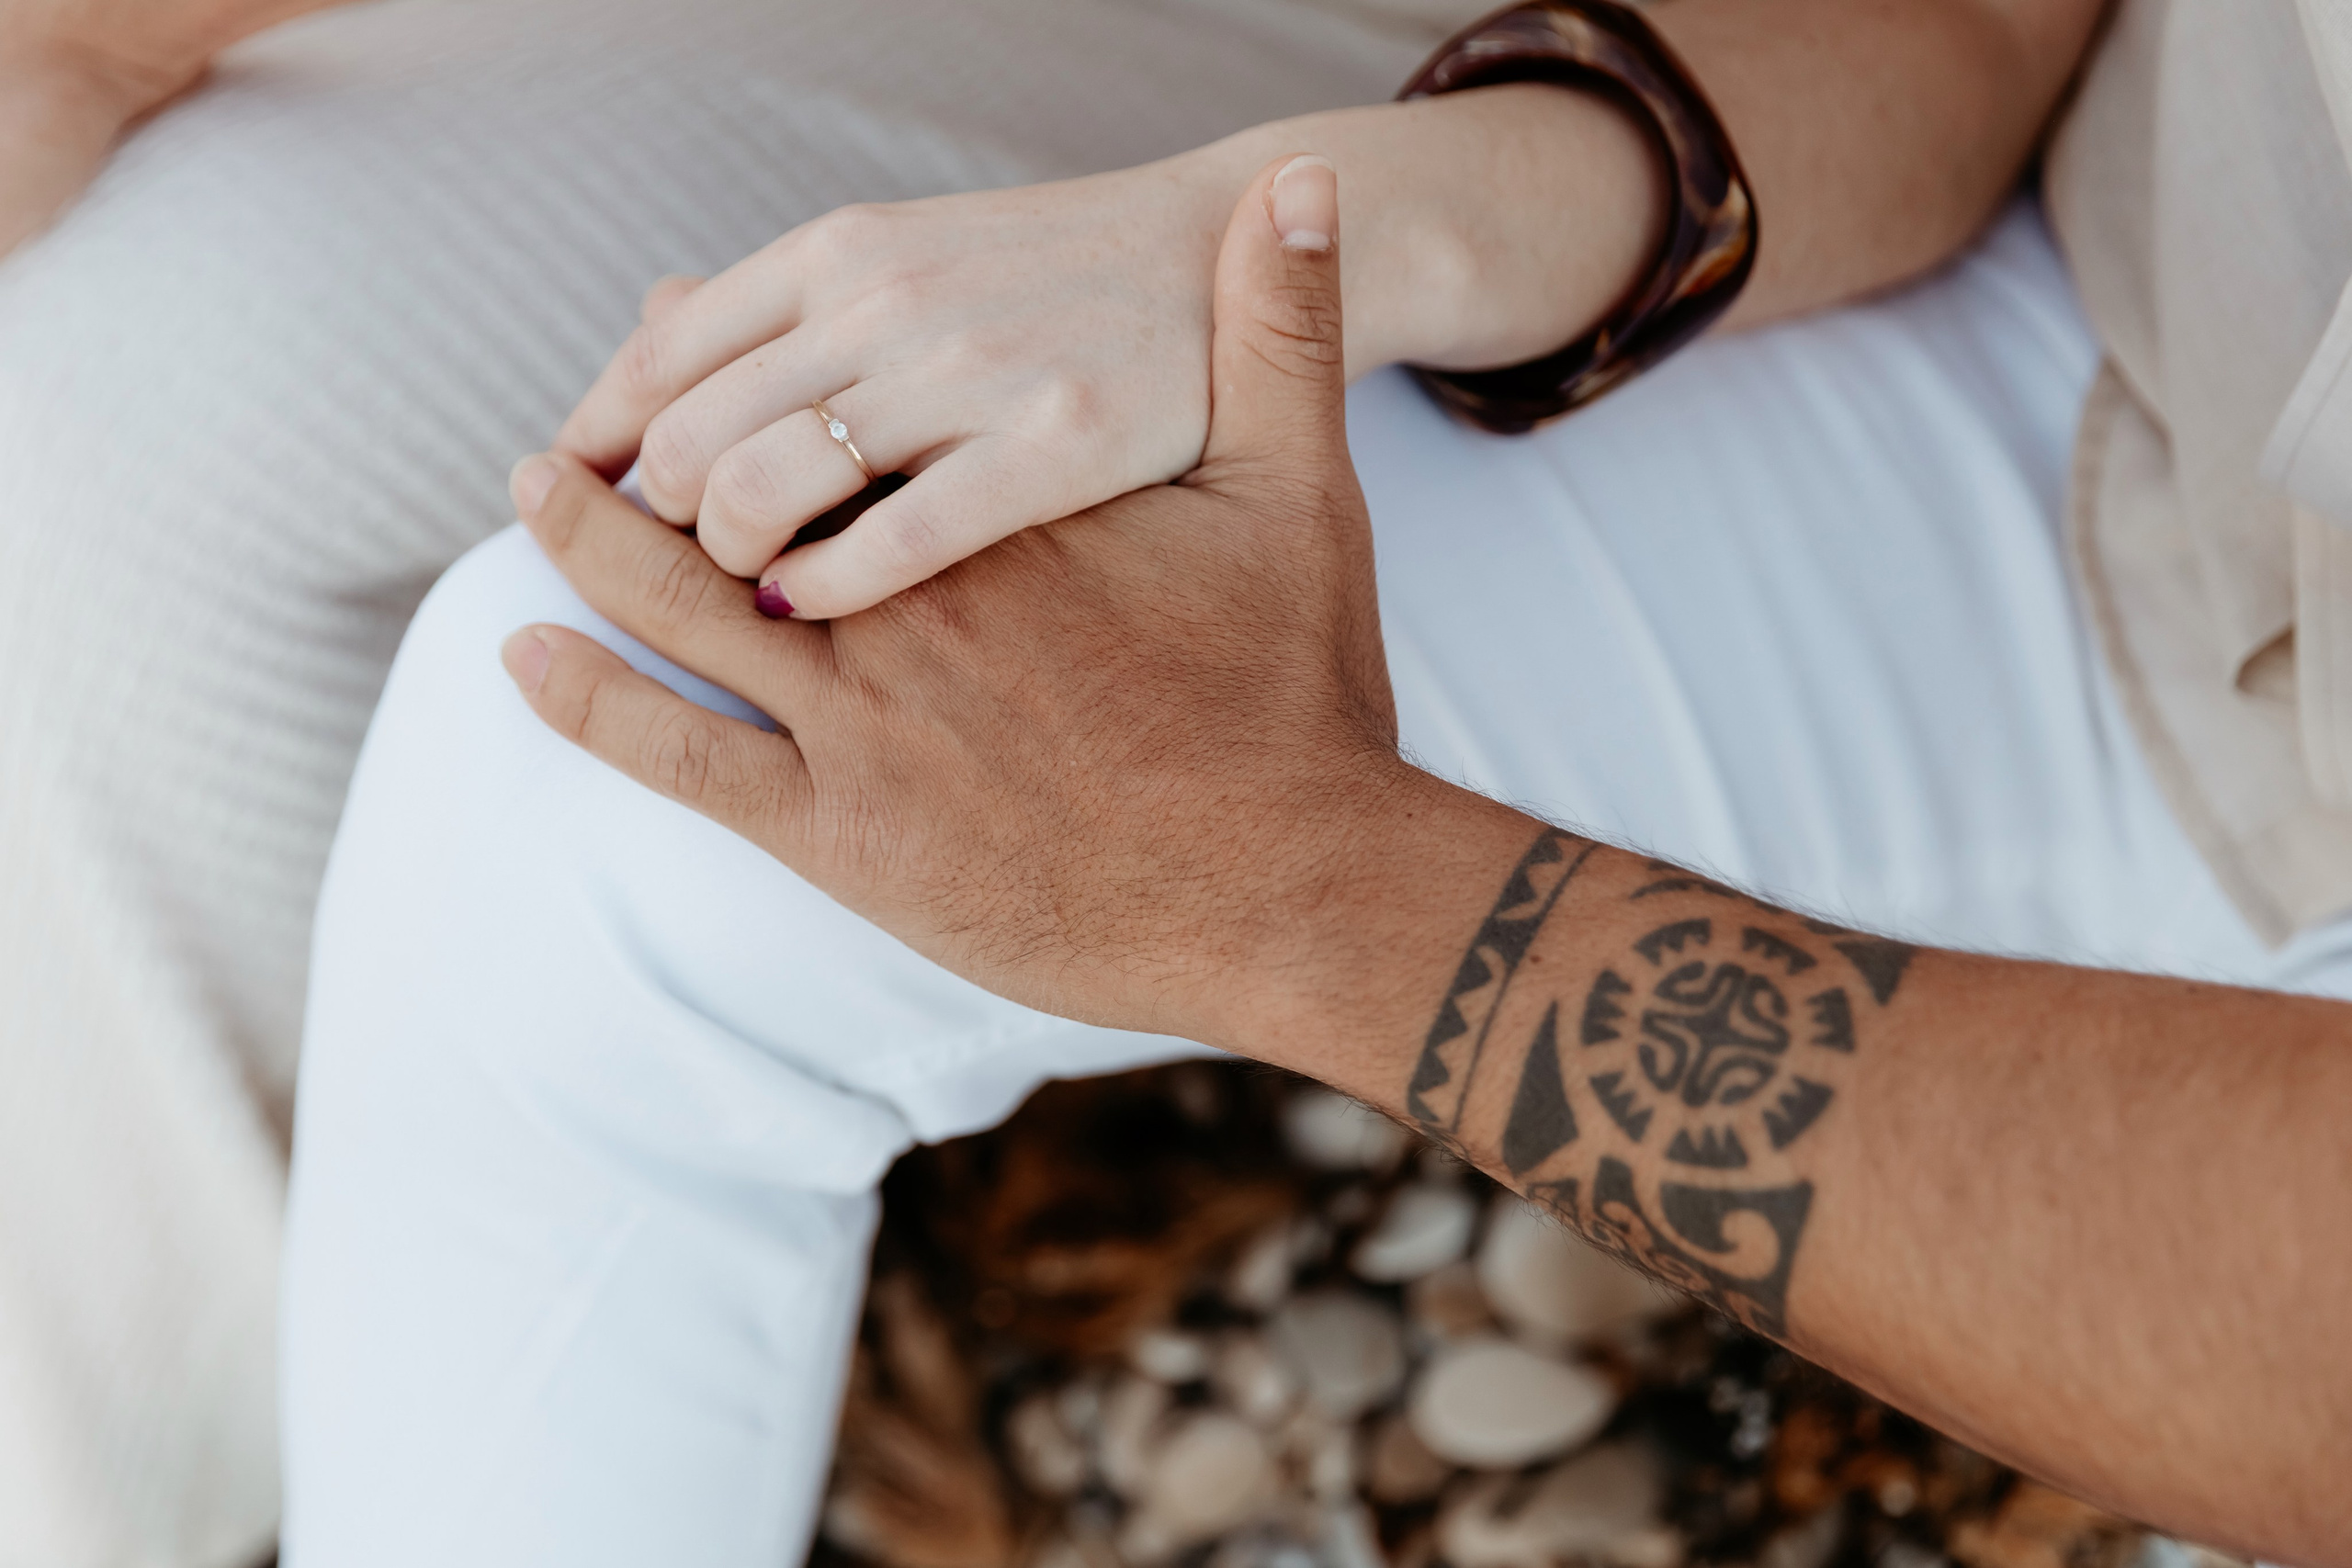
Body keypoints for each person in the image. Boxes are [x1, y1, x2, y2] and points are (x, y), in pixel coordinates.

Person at [4, 0, 2348, 1561]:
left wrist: (1311, 884)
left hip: (2265, 905)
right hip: (2093, 323)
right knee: (581, 689)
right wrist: (1314, 231)